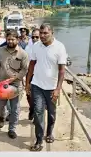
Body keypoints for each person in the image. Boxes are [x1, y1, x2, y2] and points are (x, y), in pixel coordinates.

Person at [25, 23, 67, 151]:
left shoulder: (59, 47)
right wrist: (27, 83)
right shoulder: (36, 46)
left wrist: (58, 89)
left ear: (52, 33)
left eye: (45, 33)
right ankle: (38, 140)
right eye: (41, 33)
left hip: (52, 87)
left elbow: (61, 71)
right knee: (38, 113)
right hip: (37, 85)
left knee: (51, 113)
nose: (42, 36)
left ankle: (49, 132)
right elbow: (32, 64)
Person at [0, 29, 28, 139]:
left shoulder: (23, 54)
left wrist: (16, 78)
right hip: (1, 84)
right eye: (8, 39)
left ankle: (12, 129)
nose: (10, 41)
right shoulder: (0, 51)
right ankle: (3, 115)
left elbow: (25, 69)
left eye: (12, 39)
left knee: (15, 109)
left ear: (18, 39)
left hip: (15, 85)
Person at [24, 28, 40, 120]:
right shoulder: (28, 47)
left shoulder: (44, 47)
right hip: (29, 74)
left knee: (38, 96)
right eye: (33, 37)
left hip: (40, 76)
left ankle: (36, 115)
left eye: (36, 37)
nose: (34, 39)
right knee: (29, 94)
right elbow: (25, 62)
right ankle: (32, 109)